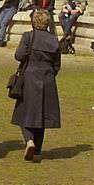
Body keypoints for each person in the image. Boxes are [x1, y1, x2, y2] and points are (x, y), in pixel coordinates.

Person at [11, 9, 61, 163]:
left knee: (24, 112)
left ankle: (29, 140)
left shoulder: (28, 36)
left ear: (33, 22)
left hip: (29, 77)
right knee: (42, 115)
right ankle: (37, 151)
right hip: (47, 78)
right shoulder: (54, 40)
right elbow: (57, 65)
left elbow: (19, 56)